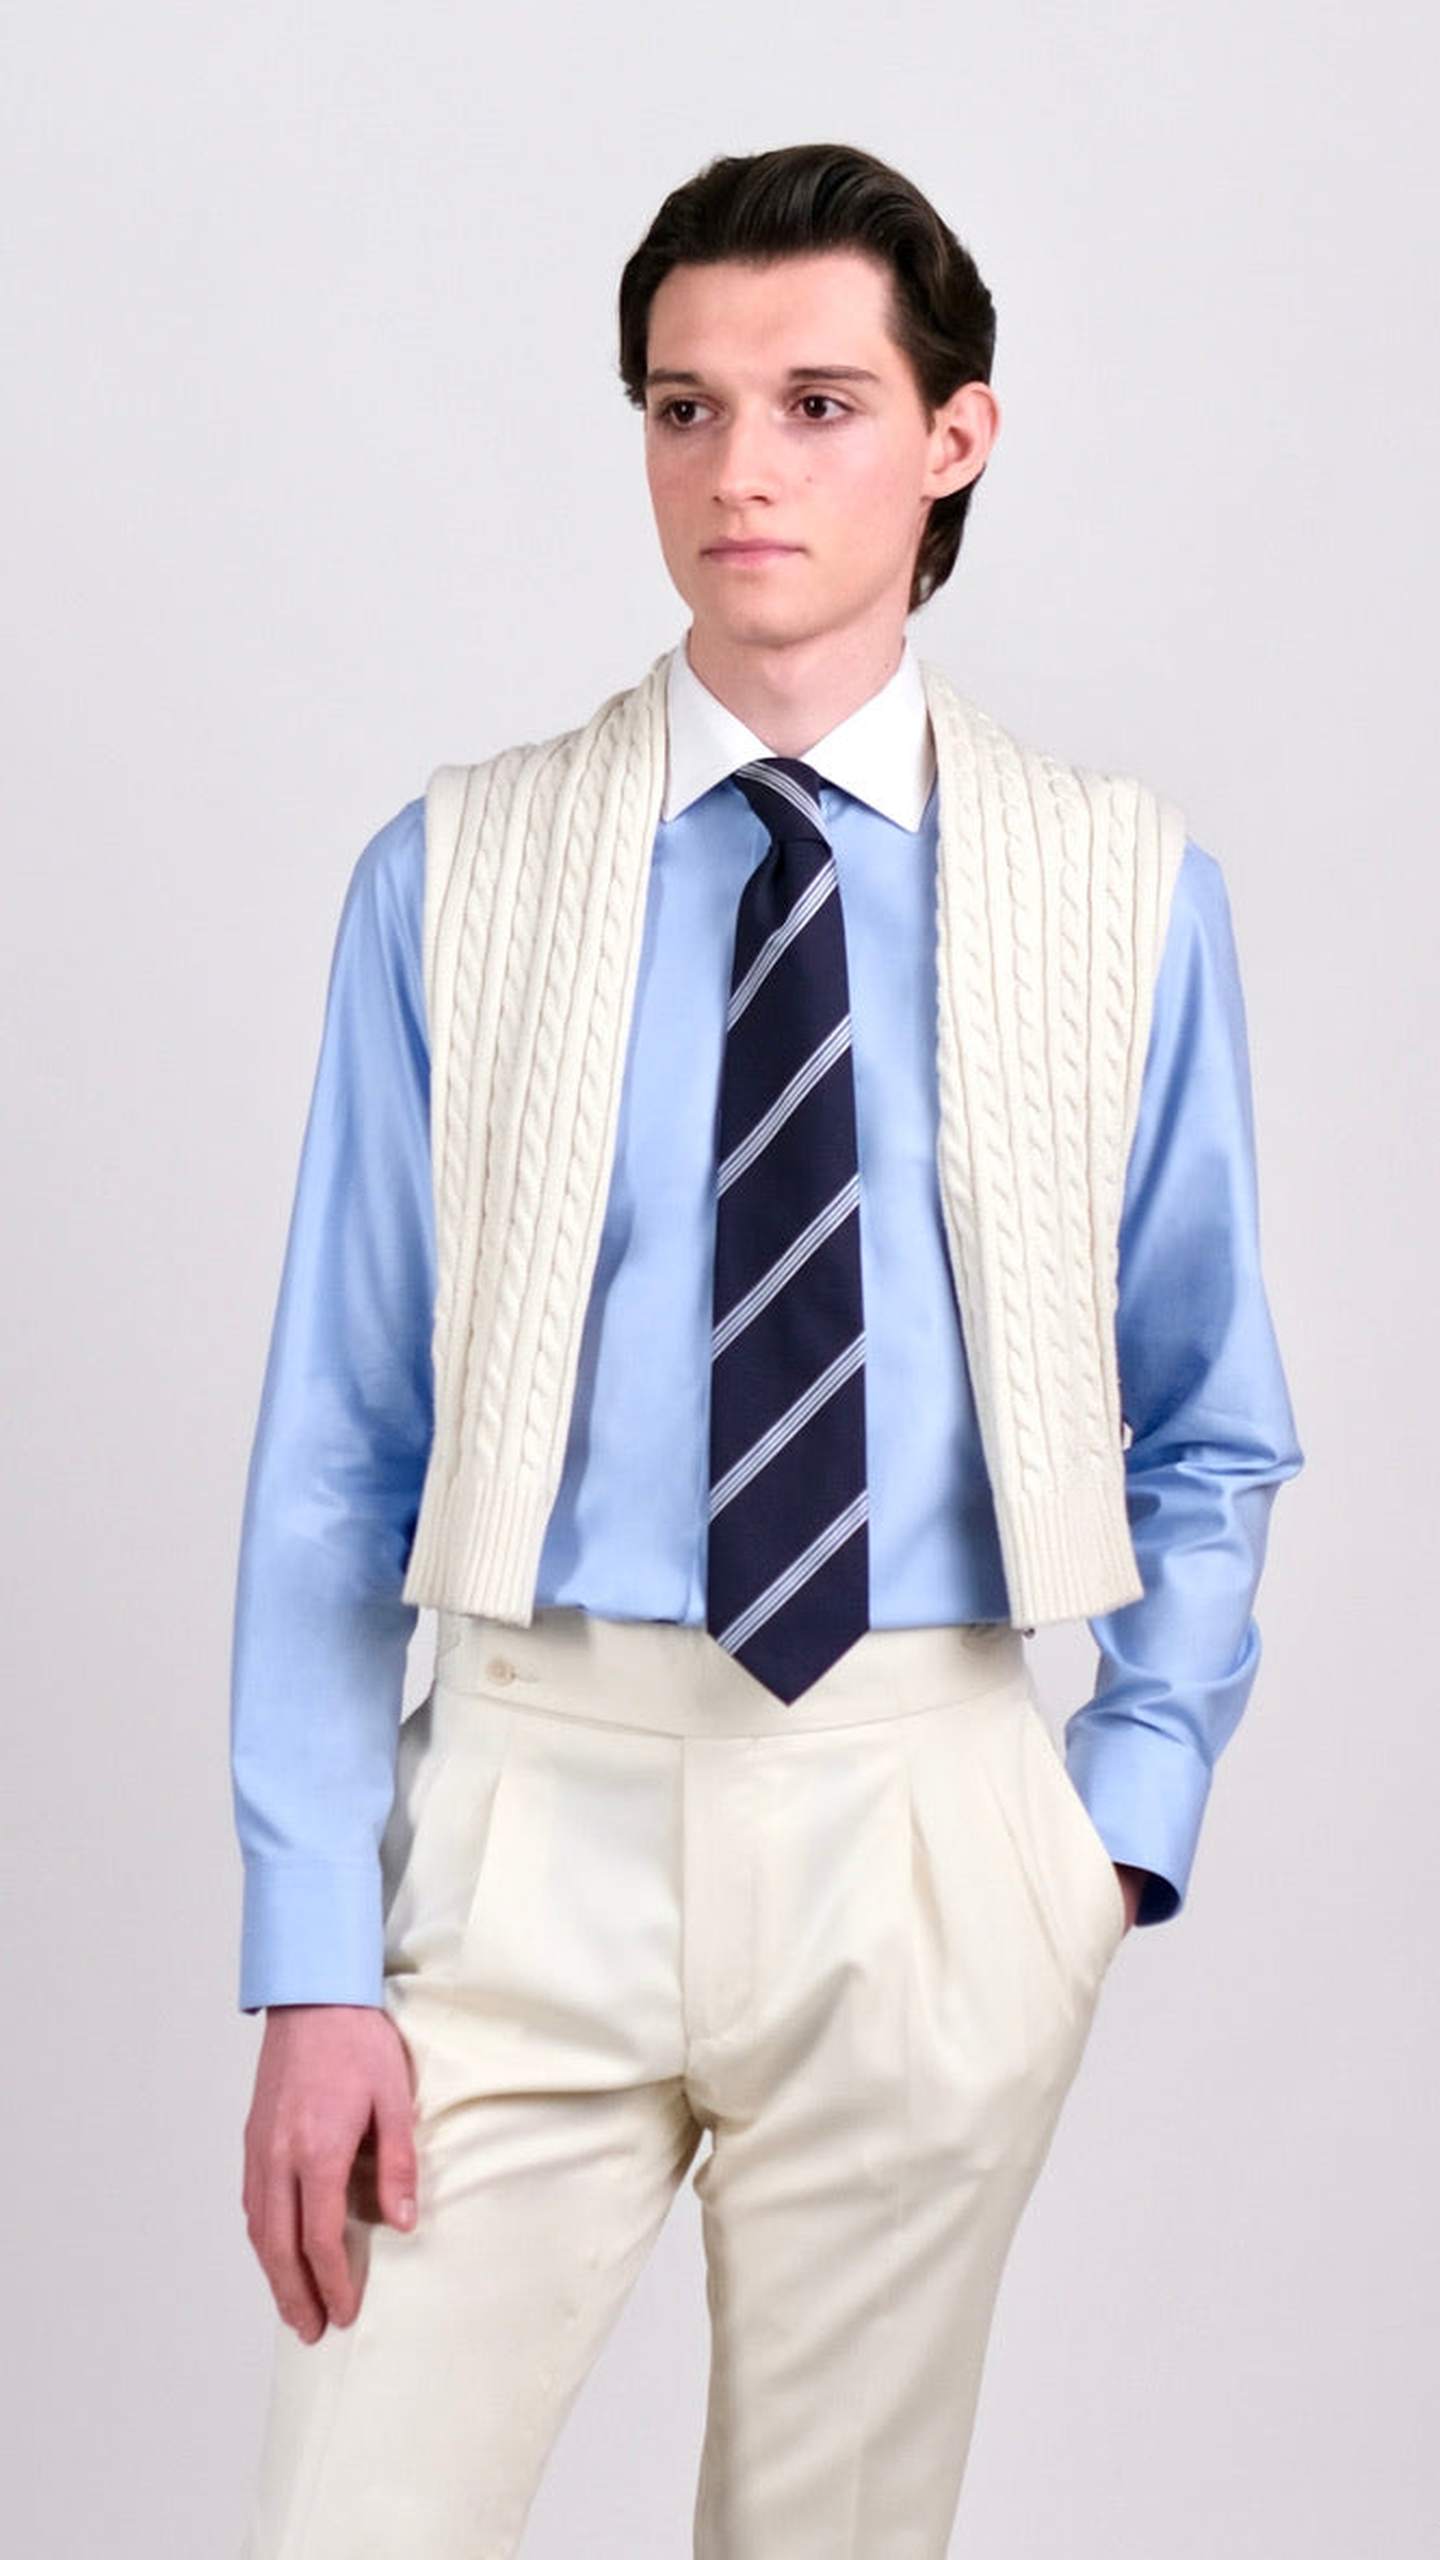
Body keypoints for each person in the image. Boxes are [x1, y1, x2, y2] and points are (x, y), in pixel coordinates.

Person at [231, 140, 1304, 2557]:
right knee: (351, 2518)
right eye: (683, 405)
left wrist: (1108, 1827)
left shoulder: (1123, 893)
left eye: (819, 403)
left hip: (925, 1817)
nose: (740, 468)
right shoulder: (457, 874)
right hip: (528, 1805)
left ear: (955, 438)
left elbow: (1213, 1412)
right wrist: (311, 1950)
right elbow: (338, 1449)